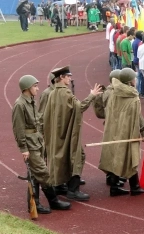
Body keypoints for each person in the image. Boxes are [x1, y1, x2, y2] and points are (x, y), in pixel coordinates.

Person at [12, 75, 71, 214]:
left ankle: (35, 204)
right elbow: (18, 128)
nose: (37, 89)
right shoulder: (20, 104)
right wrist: (23, 148)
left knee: (34, 176)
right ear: (27, 88)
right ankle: (53, 201)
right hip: (30, 145)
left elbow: (37, 120)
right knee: (43, 173)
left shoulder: (31, 101)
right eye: (35, 86)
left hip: (37, 141)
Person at [44, 66, 102, 200]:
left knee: (61, 158)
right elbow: (80, 107)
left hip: (57, 133)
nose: (70, 78)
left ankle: (58, 185)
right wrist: (92, 96)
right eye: (68, 76)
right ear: (61, 78)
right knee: (77, 157)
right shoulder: (66, 93)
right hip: (68, 133)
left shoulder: (52, 93)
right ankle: (73, 190)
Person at [99, 68, 144, 196]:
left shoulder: (113, 93)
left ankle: (114, 186)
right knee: (130, 156)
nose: (136, 80)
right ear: (130, 81)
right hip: (127, 130)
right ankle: (135, 187)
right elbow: (138, 117)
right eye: (135, 78)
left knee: (117, 155)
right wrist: (143, 133)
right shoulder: (132, 97)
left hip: (114, 129)